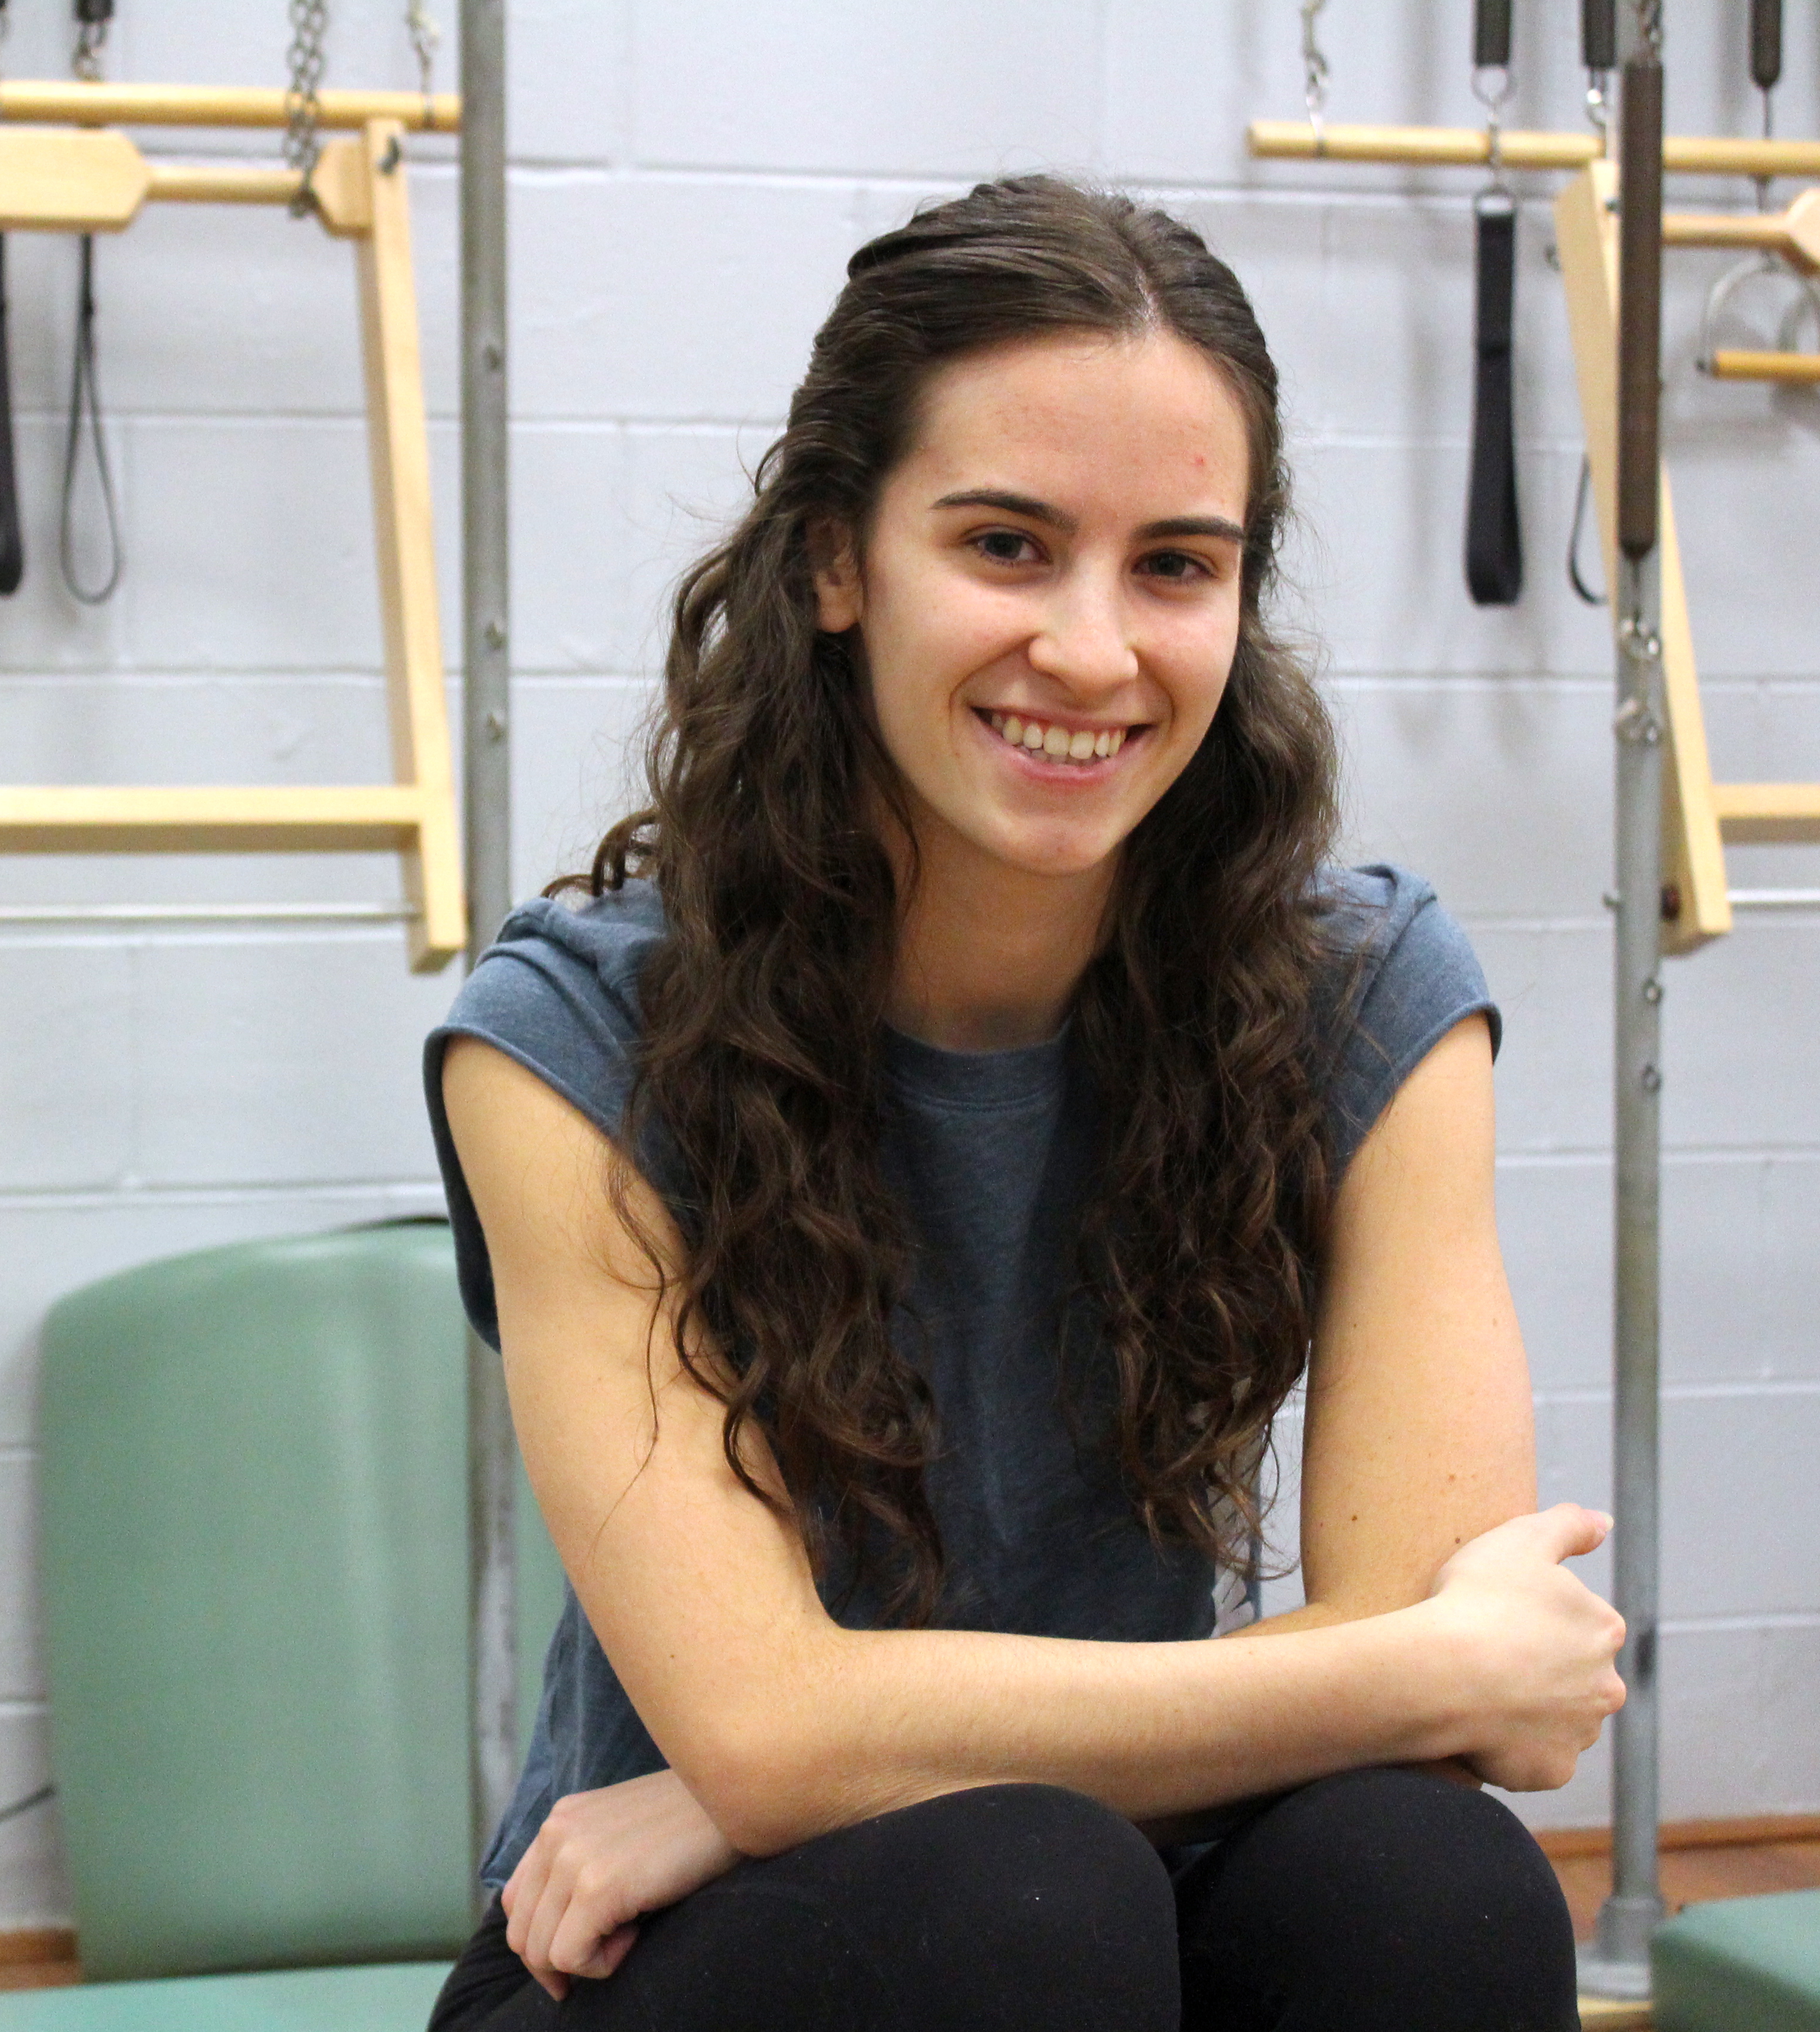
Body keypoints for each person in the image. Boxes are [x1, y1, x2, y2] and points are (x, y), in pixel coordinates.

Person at [422, 176, 1625, 2032]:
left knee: (1419, 1878)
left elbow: (1429, 1692)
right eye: (1006, 545)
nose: (1091, 649)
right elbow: (1425, 1667)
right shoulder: (569, 1038)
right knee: (1017, 1898)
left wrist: (787, 1769)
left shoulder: (1369, 993)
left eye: (1176, 566)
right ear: (835, 562)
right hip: (655, 1949)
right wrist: (771, 1776)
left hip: (1064, 1866)